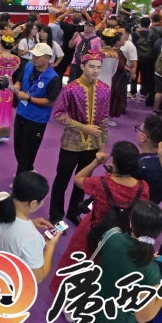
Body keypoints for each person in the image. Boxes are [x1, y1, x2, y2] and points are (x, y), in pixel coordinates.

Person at [48, 141, 149, 295]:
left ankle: (69, 294)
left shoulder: (100, 183)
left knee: (77, 262)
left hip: (93, 229)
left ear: (114, 161)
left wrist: (96, 162)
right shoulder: (142, 187)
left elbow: (78, 178)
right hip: (121, 234)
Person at [82, 202, 162, 323]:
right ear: (159, 232)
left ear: (131, 222)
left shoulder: (111, 236)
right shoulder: (152, 271)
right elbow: (143, 317)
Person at [50, 51, 110, 224]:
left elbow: (104, 118)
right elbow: (59, 114)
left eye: (98, 67)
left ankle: (74, 211)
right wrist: (83, 127)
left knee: (84, 180)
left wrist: (103, 146)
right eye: (91, 66)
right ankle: (56, 215)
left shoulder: (105, 89)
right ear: (82, 66)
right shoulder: (70, 88)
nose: (95, 71)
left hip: (93, 144)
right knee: (62, 179)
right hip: (71, 142)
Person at [0, 172, 61, 283]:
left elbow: (7, 225)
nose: (43, 203)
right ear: (33, 203)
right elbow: (38, 277)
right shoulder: (31, 238)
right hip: (9, 280)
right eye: (42, 200)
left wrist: (30, 222)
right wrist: (51, 245)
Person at [12, 43, 62, 174]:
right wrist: (16, 87)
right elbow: (19, 81)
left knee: (28, 152)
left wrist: (28, 98)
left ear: (48, 58)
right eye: (33, 55)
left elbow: (50, 102)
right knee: (18, 147)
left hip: (36, 120)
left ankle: (21, 178)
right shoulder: (28, 66)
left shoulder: (53, 78)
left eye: (38, 56)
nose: (34, 58)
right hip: (21, 113)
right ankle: (27, 171)